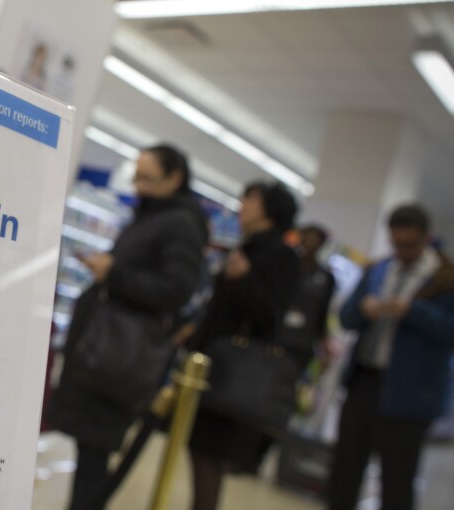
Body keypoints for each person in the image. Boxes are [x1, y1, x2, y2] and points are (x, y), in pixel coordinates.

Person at [51, 144, 208, 510]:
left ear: (175, 178)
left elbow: (175, 291)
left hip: (119, 359)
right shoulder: (155, 216)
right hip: (106, 353)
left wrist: (114, 272)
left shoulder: (180, 225)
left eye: (148, 178)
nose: (139, 186)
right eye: (137, 177)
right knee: (89, 453)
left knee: (94, 457)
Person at [326, 204, 454, 510]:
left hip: (412, 394)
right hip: (365, 382)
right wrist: (363, 310)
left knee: (396, 482)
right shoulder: (379, 270)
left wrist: (413, 311)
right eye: (396, 244)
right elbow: (346, 317)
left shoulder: (445, 279)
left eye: (409, 245)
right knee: (344, 473)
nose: (402, 251)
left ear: (426, 239)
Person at [187, 181, 300, 510]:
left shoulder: (280, 257)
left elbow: (271, 318)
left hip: (234, 374)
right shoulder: (247, 248)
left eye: (250, 199)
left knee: (208, 455)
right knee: (200, 453)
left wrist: (244, 278)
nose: (242, 205)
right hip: (212, 366)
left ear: (269, 209)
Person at [282, 224, 337, 369]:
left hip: (303, 341)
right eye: (306, 238)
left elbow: (323, 312)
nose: (309, 243)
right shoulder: (285, 267)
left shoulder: (325, 277)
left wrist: (324, 344)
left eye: (314, 240)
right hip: (277, 334)